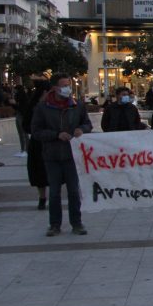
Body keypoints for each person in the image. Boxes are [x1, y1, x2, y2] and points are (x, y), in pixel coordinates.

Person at [31, 73, 93, 237]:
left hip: (72, 155)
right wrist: (56, 134)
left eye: (69, 85)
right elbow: (36, 131)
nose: (67, 88)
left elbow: (87, 123)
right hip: (52, 155)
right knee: (54, 192)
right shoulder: (43, 107)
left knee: (73, 191)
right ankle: (54, 224)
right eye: (64, 85)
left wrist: (82, 130)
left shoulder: (76, 105)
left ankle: (76, 223)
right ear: (55, 88)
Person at [23, 79, 49, 210]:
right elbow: (26, 125)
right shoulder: (33, 106)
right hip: (38, 142)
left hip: (52, 141)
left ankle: (51, 196)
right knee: (39, 171)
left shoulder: (53, 105)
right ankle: (42, 197)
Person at [13, 84, 28, 156]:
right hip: (20, 115)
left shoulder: (22, 97)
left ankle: (24, 149)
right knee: (22, 133)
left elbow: (20, 107)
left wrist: (14, 104)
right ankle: (24, 149)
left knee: (22, 133)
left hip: (21, 116)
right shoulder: (21, 96)